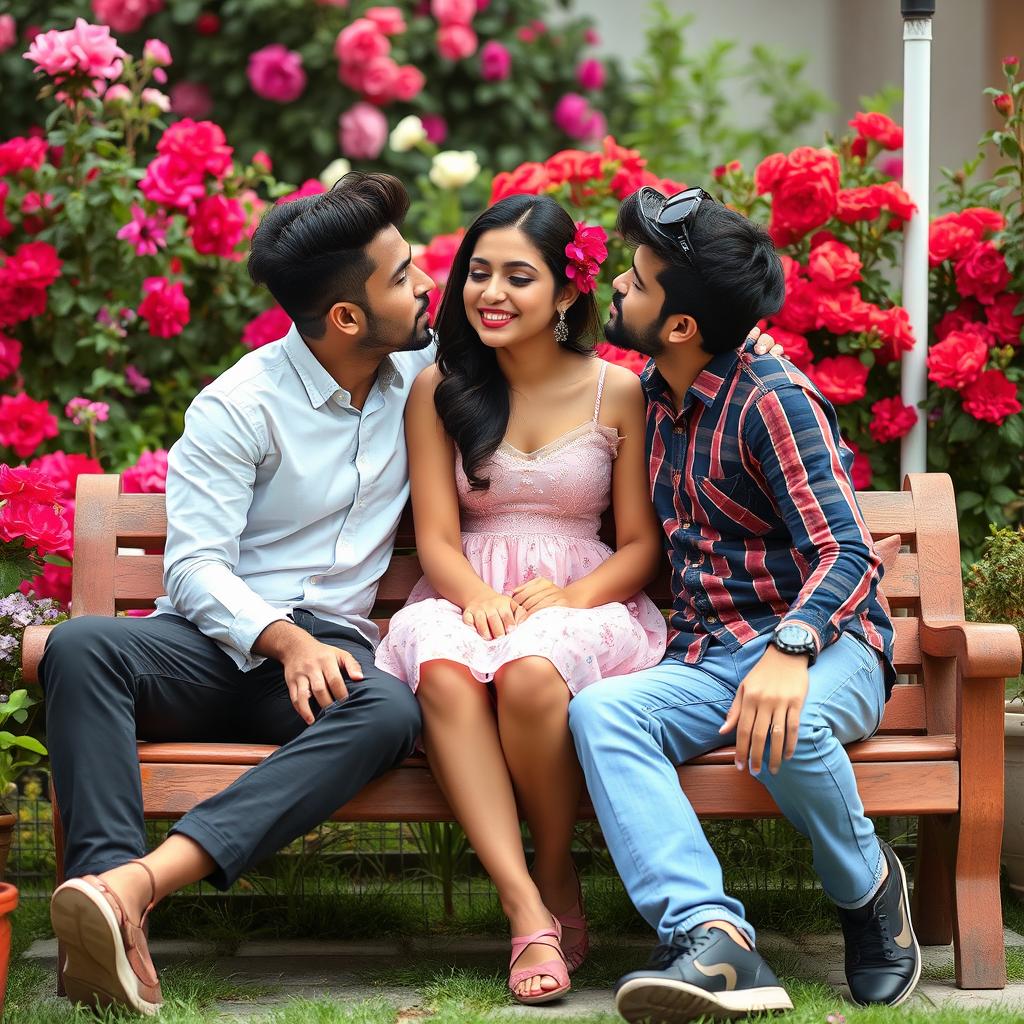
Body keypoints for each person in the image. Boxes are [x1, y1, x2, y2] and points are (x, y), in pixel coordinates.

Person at [42, 171, 434, 1016]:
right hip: (216, 653)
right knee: (79, 646)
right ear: (346, 317)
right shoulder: (239, 405)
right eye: (403, 275)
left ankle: (129, 893)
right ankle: (109, 901)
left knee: (390, 712)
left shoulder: (420, 369)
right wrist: (280, 639)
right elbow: (193, 568)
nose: (426, 280)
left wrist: (743, 345)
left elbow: (551, 345)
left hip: (331, 653)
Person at [568, 186, 917, 1024]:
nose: (618, 284)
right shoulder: (649, 394)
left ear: (681, 325)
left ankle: (868, 890)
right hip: (708, 654)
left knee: (786, 729)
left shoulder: (772, 399)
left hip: (827, 643)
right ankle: (713, 935)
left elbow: (847, 550)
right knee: (602, 715)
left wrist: (790, 649)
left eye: (639, 281)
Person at [375, 193, 667, 1004]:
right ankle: (524, 909)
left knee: (534, 673)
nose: (490, 293)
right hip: (470, 591)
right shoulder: (441, 386)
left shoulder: (619, 390)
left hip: (579, 597)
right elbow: (434, 535)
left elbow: (641, 545)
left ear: (567, 293)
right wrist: (475, 598)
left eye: (516, 276)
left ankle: (551, 865)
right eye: (478, 273)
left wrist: (570, 597)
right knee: (442, 666)